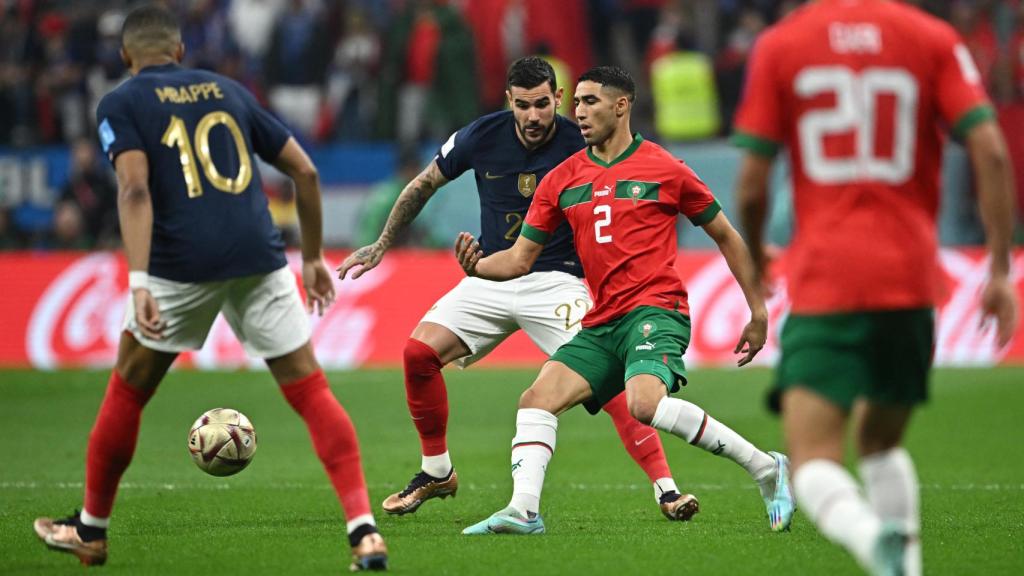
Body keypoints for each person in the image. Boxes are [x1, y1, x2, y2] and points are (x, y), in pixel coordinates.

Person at [32, 5, 387, 572]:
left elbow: (134, 191)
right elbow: (305, 172)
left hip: (180, 263)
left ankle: (91, 532)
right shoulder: (226, 89)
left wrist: (140, 281)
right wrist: (315, 257)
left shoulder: (121, 102)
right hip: (258, 254)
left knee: (128, 391)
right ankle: (364, 531)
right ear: (178, 52)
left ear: (126, 58)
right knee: (311, 391)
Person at [732, 1, 1019, 574]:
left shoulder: (782, 45)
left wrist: (759, 248)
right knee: (882, 444)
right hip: (911, 277)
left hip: (827, 276)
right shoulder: (930, 37)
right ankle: (905, 566)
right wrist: (997, 269)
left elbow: (753, 181)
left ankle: (871, 539)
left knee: (812, 458)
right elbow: (989, 150)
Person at [339, 56, 692, 522]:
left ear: (558, 99)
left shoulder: (580, 140)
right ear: (509, 100)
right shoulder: (480, 135)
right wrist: (384, 243)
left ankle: (666, 488)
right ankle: (436, 470)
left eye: (542, 105)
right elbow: (424, 184)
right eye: (523, 105)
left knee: (607, 384)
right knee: (417, 355)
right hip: (489, 274)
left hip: (556, 280)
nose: (533, 116)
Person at [455, 65, 794, 536]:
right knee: (536, 400)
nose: (579, 111)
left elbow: (726, 235)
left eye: (590, 102)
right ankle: (524, 511)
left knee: (642, 403)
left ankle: (766, 468)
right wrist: (477, 267)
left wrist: (757, 310)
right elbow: (517, 259)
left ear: (622, 106)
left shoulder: (664, 168)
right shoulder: (561, 179)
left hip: (656, 310)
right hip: (603, 321)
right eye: (576, 102)